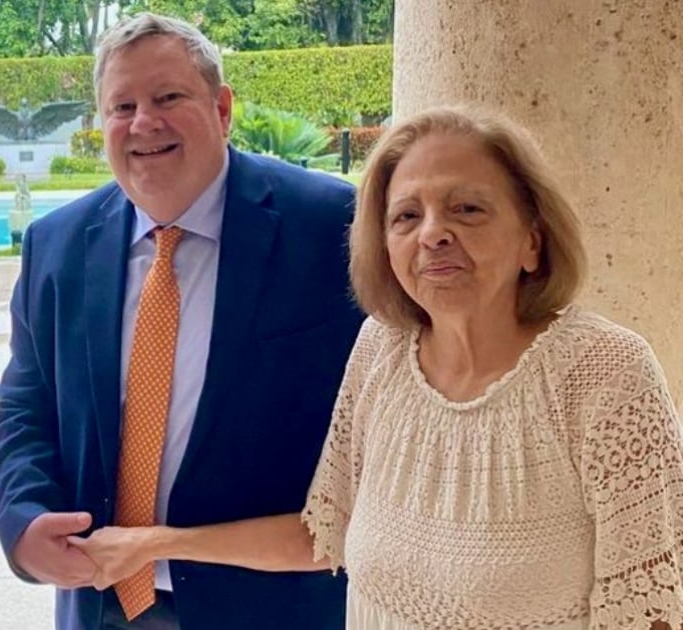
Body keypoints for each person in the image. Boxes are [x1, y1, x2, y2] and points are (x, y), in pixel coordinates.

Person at [0, 12, 363, 630]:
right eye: (122, 106)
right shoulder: (56, 246)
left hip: (272, 609)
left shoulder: (328, 228)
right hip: (103, 603)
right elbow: (25, 408)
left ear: (221, 109)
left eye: (168, 97)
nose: (143, 123)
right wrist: (22, 521)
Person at [292, 106, 682, 628]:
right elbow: (326, 532)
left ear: (532, 242)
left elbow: (652, 610)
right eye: (406, 216)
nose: (433, 234)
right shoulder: (379, 349)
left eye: (468, 209)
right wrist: (163, 544)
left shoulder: (606, 373)